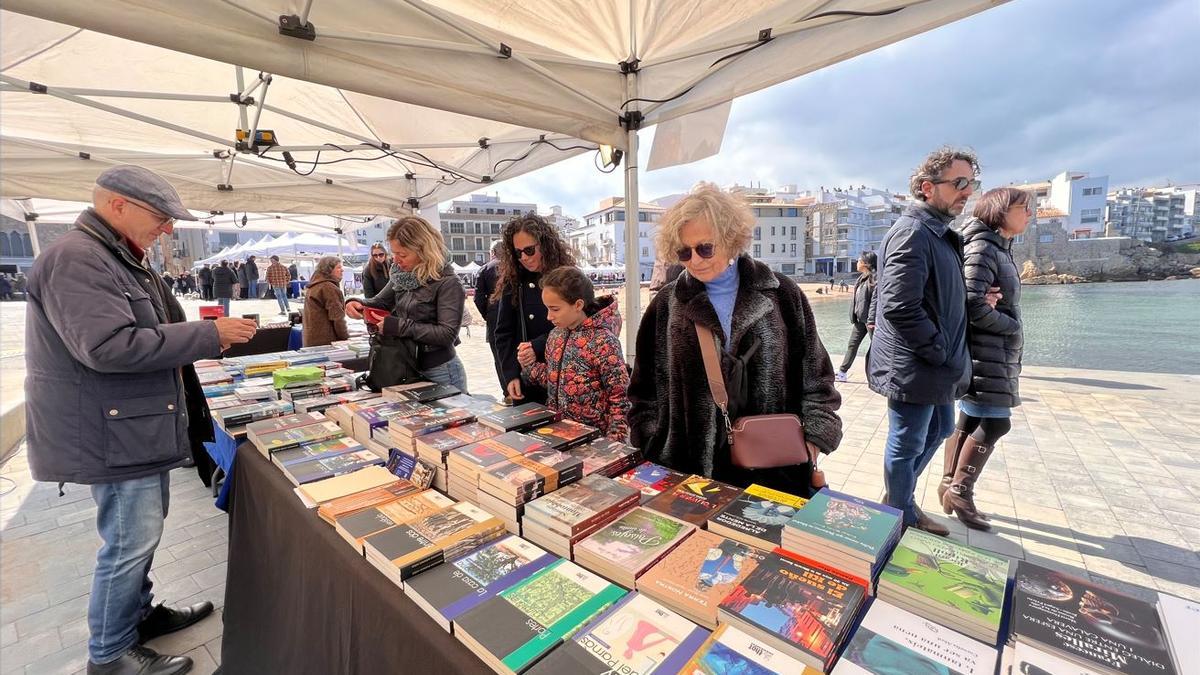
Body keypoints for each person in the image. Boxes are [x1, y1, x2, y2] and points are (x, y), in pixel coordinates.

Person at [24, 165, 258, 675]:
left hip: (132, 426)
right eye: (161, 217)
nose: (168, 229)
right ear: (117, 205)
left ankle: (138, 618)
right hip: (112, 432)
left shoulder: (119, 256)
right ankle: (109, 654)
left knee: (141, 536)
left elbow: (154, 327)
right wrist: (210, 336)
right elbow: (107, 347)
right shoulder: (78, 259)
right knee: (129, 542)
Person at [628, 183, 842, 494]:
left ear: (730, 239)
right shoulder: (666, 305)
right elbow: (643, 388)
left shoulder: (782, 295)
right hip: (688, 473)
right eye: (683, 252)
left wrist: (815, 439)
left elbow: (817, 375)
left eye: (705, 247)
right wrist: (650, 438)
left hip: (774, 470)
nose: (695, 260)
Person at [867, 146, 989, 535]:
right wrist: (938, 350)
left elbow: (937, 298)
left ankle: (896, 501)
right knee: (906, 443)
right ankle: (899, 515)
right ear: (927, 187)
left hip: (935, 366)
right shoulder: (913, 233)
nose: (967, 191)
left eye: (971, 183)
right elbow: (900, 307)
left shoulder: (938, 234)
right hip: (916, 366)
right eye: (959, 183)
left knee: (938, 432)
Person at [941, 187, 1029, 531]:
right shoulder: (983, 248)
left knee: (971, 419)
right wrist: (1010, 325)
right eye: (1023, 208)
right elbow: (973, 303)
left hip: (991, 354)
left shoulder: (994, 247)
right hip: (985, 353)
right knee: (995, 423)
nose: (1029, 214)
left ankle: (951, 485)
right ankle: (960, 490)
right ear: (1000, 211)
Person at [346, 217, 469, 392]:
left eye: (402, 255)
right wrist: (356, 303)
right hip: (406, 364)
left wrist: (397, 326)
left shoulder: (448, 282)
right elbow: (380, 302)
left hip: (440, 370)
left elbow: (446, 334)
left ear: (423, 251)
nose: (395, 260)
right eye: (394, 253)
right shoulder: (401, 276)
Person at [519, 266, 629, 440]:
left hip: (594, 438)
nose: (549, 316)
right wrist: (529, 366)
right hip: (559, 431)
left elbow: (619, 398)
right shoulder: (555, 335)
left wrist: (614, 443)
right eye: (547, 308)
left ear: (578, 305)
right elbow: (554, 378)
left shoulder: (604, 342)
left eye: (555, 309)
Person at [492, 213, 576, 404]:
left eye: (529, 250)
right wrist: (511, 374)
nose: (524, 258)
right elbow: (503, 333)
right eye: (517, 252)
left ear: (544, 245)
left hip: (564, 373)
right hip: (527, 376)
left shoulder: (568, 277)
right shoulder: (513, 281)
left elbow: (579, 325)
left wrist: (537, 346)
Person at [835, 251, 877, 382]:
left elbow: (875, 301)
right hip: (860, 320)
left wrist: (871, 321)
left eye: (859, 260)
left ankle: (878, 375)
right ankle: (842, 372)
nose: (857, 262)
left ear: (866, 263)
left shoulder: (875, 279)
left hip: (870, 322)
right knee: (852, 345)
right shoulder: (861, 278)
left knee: (877, 347)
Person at [473, 240, 506, 393]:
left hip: (494, 319)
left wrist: (488, 316)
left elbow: (478, 298)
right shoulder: (516, 267)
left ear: (492, 253)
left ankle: (508, 393)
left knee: (499, 358)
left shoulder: (485, 269)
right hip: (517, 319)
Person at [301, 256, 349, 347]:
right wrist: (345, 337)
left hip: (313, 340)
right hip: (326, 341)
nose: (342, 270)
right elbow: (337, 317)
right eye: (338, 267)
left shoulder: (315, 286)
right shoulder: (328, 287)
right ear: (329, 270)